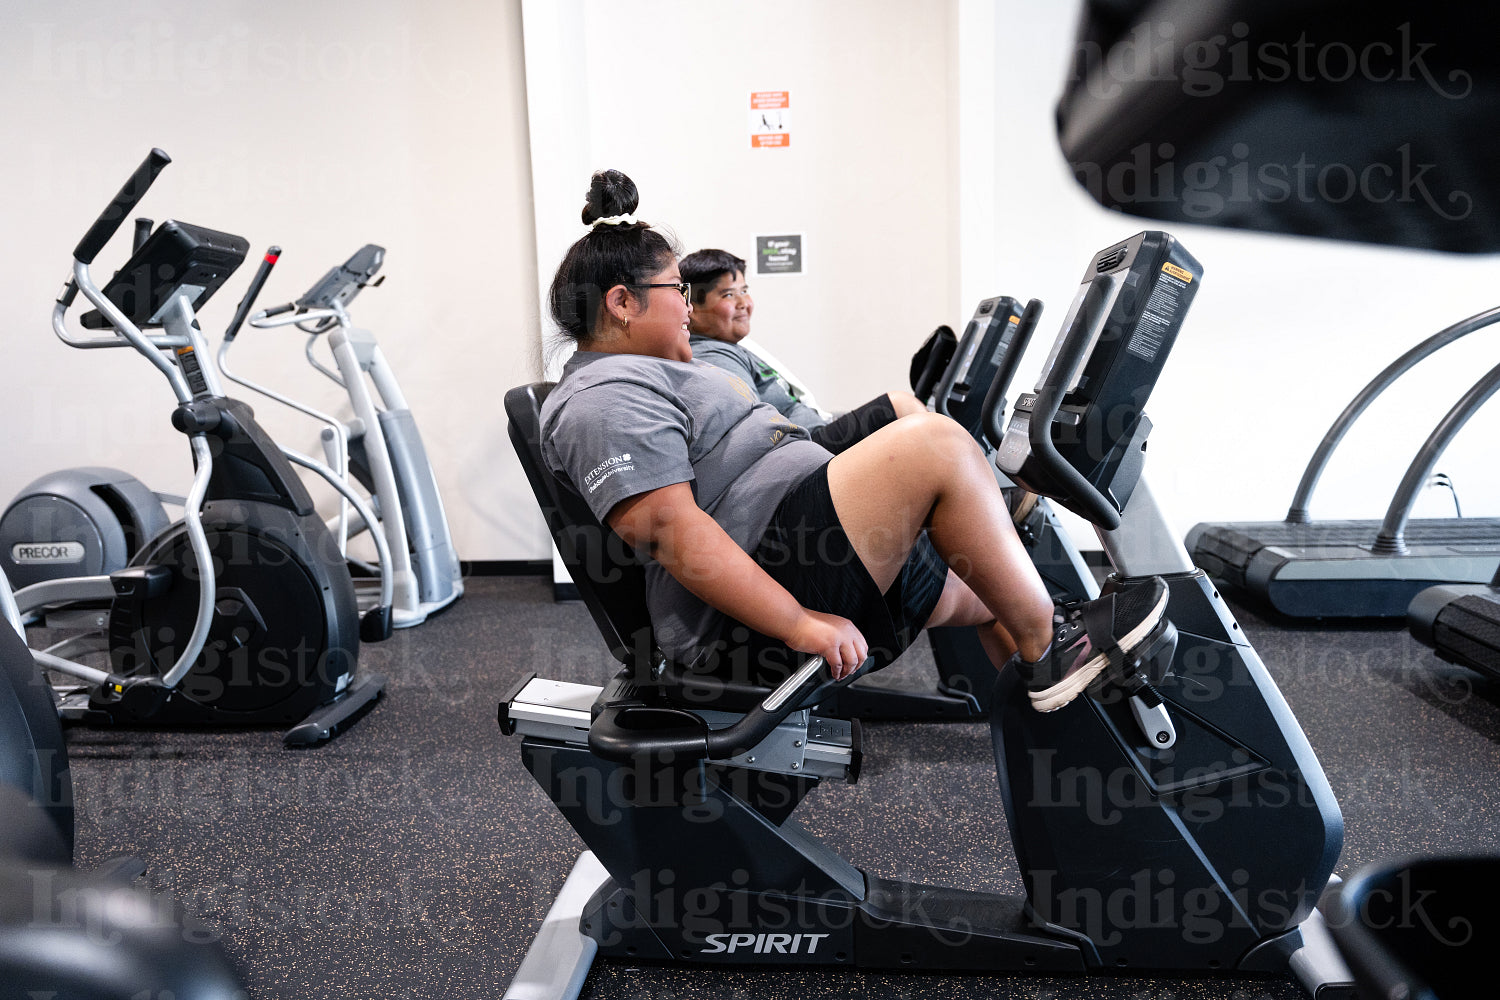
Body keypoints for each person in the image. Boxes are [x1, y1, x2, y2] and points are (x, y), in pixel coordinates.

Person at [539, 169, 1169, 712]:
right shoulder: (601, 398)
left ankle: (1057, 726)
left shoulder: (659, 369)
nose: (687, 307)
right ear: (622, 303)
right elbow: (673, 533)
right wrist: (797, 622)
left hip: (804, 551)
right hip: (739, 625)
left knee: (992, 589)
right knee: (936, 444)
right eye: (677, 292)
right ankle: (1049, 648)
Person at [679, 248, 926, 455]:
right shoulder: (713, 357)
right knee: (901, 406)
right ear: (693, 308)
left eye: (744, 290)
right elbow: (751, 432)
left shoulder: (731, 346)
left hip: (815, 435)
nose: (744, 303)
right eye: (729, 294)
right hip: (807, 450)